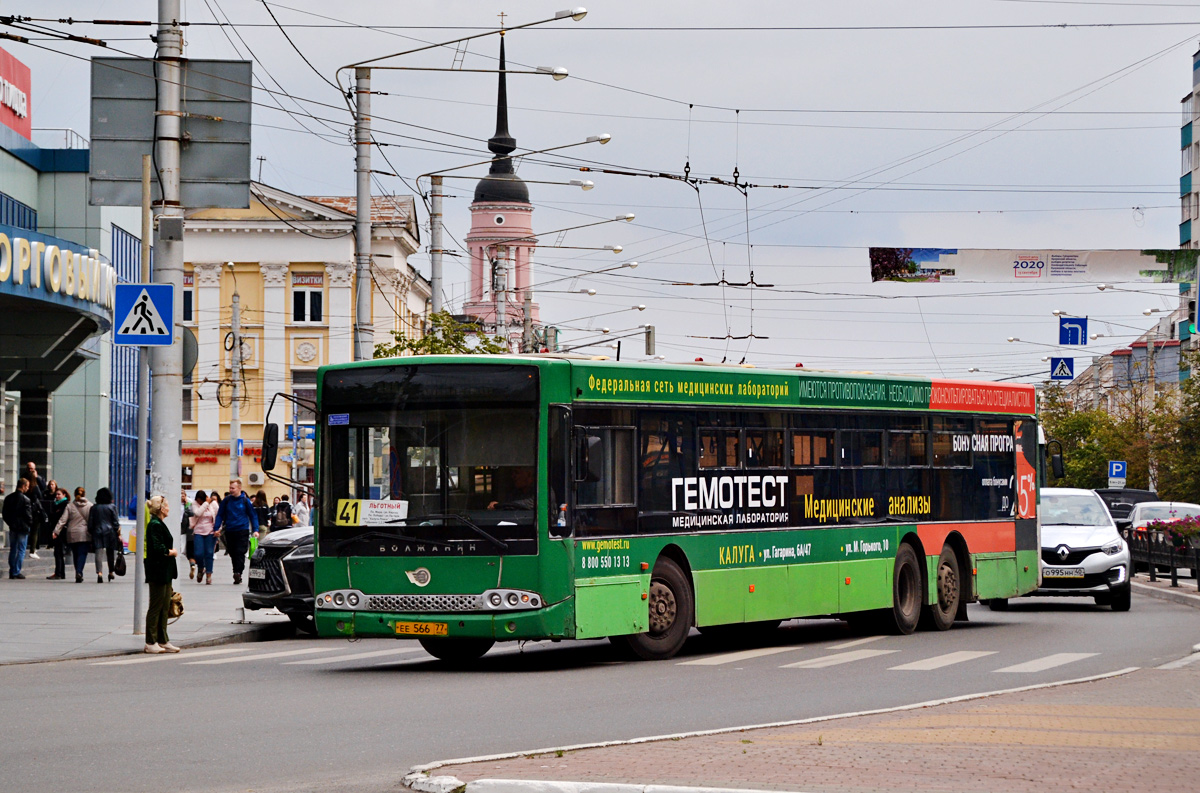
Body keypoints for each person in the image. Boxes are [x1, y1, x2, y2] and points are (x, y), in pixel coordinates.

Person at [143, 494, 180, 654]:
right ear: (161, 508)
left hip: (165, 571)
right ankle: (150, 641)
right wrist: (170, 552)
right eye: (167, 505)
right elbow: (158, 547)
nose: (169, 508)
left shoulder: (159, 523)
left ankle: (163, 639)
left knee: (165, 606)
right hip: (157, 570)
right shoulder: (155, 525)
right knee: (156, 606)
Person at [213, 477, 259, 585]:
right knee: (233, 553)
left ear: (239, 488)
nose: (231, 490)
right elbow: (220, 515)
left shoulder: (245, 501)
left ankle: (238, 572)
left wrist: (255, 530)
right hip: (230, 530)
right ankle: (236, 571)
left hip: (242, 530)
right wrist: (216, 528)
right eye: (230, 488)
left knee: (240, 552)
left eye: (233, 488)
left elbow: (253, 516)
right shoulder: (227, 500)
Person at [53, 487, 93, 583]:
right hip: (84, 533)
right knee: (82, 554)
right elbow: (92, 521)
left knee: (75, 554)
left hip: (72, 533)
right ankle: (79, 572)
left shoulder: (70, 506)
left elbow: (63, 520)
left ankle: (77, 571)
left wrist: (56, 531)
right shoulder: (90, 506)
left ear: (74, 495)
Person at [88, 487, 122, 583]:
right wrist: (118, 533)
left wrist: (92, 531)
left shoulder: (94, 508)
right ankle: (111, 572)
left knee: (98, 552)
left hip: (97, 531)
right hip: (110, 532)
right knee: (110, 553)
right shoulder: (112, 507)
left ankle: (99, 573)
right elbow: (115, 522)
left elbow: (90, 523)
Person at [3, 478, 33, 579]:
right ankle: (16, 571)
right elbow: (28, 516)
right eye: (27, 486)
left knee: (13, 549)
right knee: (21, 550)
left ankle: (12, 570)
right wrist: (29, 524)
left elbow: (5, 514)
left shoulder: (8, 498)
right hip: (23, 527)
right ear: (24, 486)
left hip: (13, 527)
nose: (28, 488)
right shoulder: (26, 499)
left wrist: (11, 523)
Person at [190, 490, 217, 585]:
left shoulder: (213, 504)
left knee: (209, 553)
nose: (199, 502)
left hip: (211, 531)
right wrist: (206, 503)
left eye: (201, 500)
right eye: (198, 501)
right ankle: (201, 568)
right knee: (198, 553)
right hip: (198, 531)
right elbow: (198, 513)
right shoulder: (194, 504)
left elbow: (218, 517)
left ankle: (209, 574)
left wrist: (218, 529)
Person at [22, 463, 47, 560]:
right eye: (29, 469)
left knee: (32, 530)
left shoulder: (37, 481)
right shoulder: (27, 481)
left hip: (30, 509)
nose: (30, 470)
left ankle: (32, 548)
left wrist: (38, 479)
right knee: (33, 530)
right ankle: (32, 549)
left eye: (32, 469)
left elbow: (43, 488)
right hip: (32, 509)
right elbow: (40, 494)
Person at [46, 488, 70, 580]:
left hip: (60, 532)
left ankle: (58, 573)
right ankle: (60, 572)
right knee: (58, 552)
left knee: (58, 552)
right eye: (56, 494)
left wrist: (56, 531)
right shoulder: (57, 504)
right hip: (57, 531)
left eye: (59, 494)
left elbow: (61, 519)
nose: (57, 496)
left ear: (64, 495)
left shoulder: (64, 505)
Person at [180, 490, 195, 580]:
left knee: (188, 549)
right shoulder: (174, 503)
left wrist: (187, 506)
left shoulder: (189, 503)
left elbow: (192, 514)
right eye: (180, 494)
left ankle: (192, 564)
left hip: (187, 530)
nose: (182, 496)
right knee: (183, 549)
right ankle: (192, 564)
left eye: (183, 494)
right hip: (178, 528)